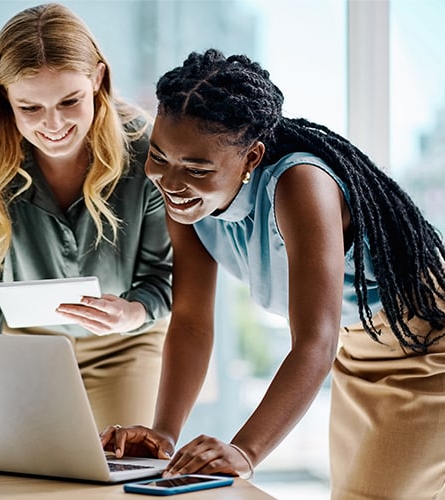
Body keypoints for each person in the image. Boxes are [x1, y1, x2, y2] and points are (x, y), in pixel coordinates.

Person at [100, 49, 445, 499]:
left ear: (251, 157)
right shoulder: (185, 202)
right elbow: (190, 321)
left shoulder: (301, 185)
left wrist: (244, 451)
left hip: (426, 349)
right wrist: (163, 433)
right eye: (160, 156)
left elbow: (314, 341)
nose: (170, 180)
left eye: (197, 168)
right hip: (355, 352)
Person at [0, 4, 172, 466]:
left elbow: (164, 273)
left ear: (98, 79)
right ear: (5, 99)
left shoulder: (146, 150)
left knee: (117, 471)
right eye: (30, 107)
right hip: (28, 346)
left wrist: (132, 313)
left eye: (70, 101)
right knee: (15, 472)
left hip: (126, 342)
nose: (54, 124)